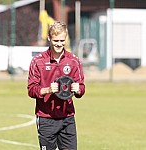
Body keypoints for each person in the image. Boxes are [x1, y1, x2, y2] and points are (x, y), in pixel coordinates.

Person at [27, 21, 85, 150]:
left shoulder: (74, 61)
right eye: (56, 40)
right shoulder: (37, 61)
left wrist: (78, 89)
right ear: (49, 38)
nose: (59, 44)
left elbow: (81, 88)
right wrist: (47, 90)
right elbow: (31, 90)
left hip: (67, 118)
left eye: (62, 40)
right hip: (46, 118)